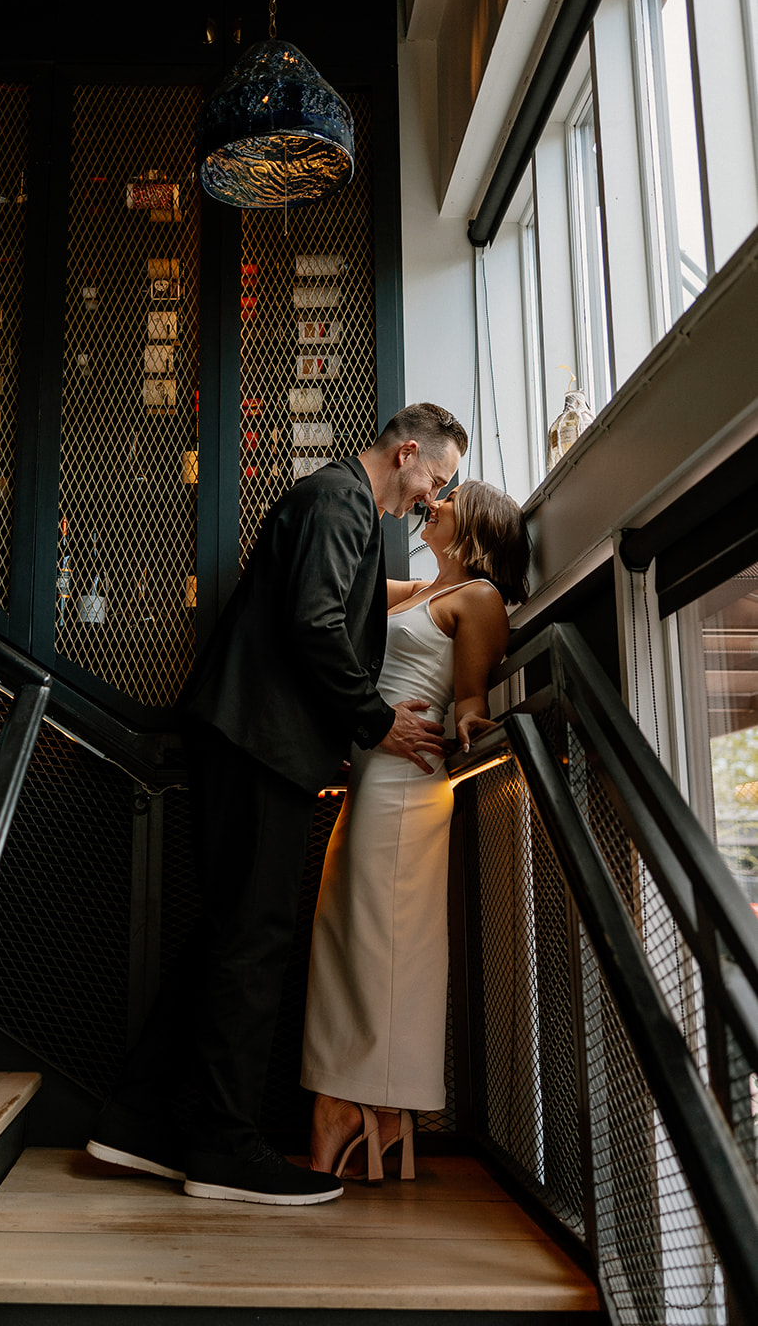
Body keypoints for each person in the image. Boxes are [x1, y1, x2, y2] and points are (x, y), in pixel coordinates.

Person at [85, 403, 468, 1206]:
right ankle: (224, 1147)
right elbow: (315, 622)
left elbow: (339, 610)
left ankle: (136, 1122)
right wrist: (374, 721)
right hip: (257, 741)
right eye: (433, 481)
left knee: (227, 933)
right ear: (405, 453)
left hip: (246, 738)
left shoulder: (331, 499)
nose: (429, 502)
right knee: (254, 941)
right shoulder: (340, 500)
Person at [301, 479, 530, 1181]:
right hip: (371, 776)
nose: (435, 503)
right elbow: (349, 591)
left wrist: (467, 719)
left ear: (479, 526)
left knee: (382, 942)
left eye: (449, 498)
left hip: (408, 785)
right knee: (344, 937)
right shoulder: (420, 592)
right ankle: (373, 1108)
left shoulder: (478, 599)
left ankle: (359, 1103)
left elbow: (467, 696)